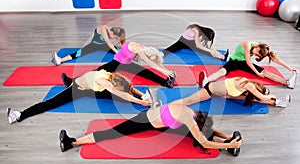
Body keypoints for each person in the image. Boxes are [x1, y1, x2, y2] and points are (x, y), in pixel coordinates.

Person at [59, 103, 243, 156]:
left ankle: (71, 142)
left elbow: (204, 136)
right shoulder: (191, 121)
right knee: (112, 133)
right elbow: (203, 136)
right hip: (147, 121)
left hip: (154, 120)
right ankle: (71, 143)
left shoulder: (193, 114)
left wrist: (228, 137)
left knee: (109, 133)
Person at [6, 69, 152, 124]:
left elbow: (127, 86)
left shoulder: (112, 76)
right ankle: (19, 115)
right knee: (50, 103)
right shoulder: (104, 81)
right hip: (78, 88)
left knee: (119, 95)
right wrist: (140, 102)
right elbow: (121, 93)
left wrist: (141, 95)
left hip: (90, 86)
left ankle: (69, 80)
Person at [62, 41, 176, 88]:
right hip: (116, 63)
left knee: (146, 73)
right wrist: (167, 72)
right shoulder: (140, 51)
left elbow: (155, 62)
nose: (141, 59)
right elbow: (151, 63)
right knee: (96, 72)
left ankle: (166, 82)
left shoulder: (143, 48)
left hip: (127, 63)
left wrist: (168, 72)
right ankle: (72, 82)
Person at [200, 41, 297, 89]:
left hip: (244, 63)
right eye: (256, 53)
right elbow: (248, 61)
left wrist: (289, 68)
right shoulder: (248, 44)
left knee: (265, 72)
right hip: (234, 61)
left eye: (257, 55)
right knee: (223, 71)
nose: (255, 55)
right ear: (257, 47)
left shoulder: (263, 49)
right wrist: (257, 73)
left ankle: (287, 83)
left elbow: (275, 59)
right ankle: (206, 80)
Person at [171, 76, 291, 108]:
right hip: (209, 90)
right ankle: (166, 106)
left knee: (251, 98)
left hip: (223, 93)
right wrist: (271, 96)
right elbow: (262, 98)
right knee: (187, 101)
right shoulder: (249, 86)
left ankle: (278, 102)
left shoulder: (244, 82)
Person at [52, 25, 126, 65]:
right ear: (113, 33)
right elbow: (109, 43)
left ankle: (132, 56)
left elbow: (120, 41)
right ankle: (60, 60)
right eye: (114, 37)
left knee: (119, 50)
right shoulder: (103, 28)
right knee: (78, 53)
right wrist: (117, 52)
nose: (114, 39)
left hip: (104, 46)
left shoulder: (114, 32)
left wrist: (122, 47)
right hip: (93, 45)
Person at [162, 24, 228, 61]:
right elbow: (198, 46)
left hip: (191, 42)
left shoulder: (201, 31)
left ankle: (223, 57)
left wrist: (212, 50)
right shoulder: (195, 30)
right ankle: (159, 55)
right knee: (171, 49)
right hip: (182, 41)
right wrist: (209, 50)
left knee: (207, 50)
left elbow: (208, 46)